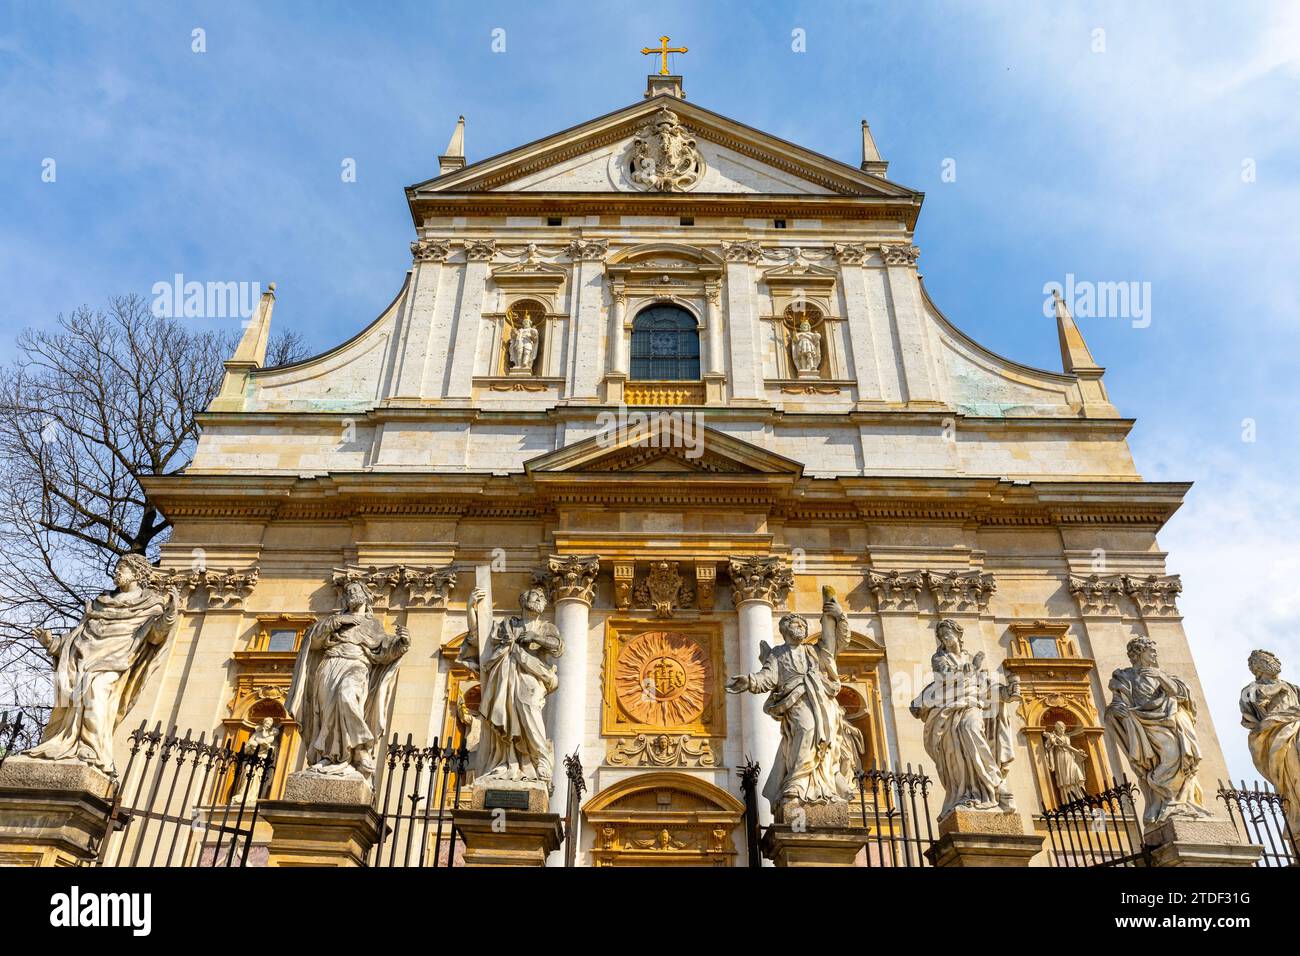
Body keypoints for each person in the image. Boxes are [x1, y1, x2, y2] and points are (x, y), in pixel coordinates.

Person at [27, 552, 179, 776]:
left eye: (123, 568)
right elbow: (79, 636)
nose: (117, 572)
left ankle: (93, 750)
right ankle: (67, 745)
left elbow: (155, 636)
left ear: (137, 573)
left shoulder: (150, 604)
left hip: (115, 660)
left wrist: (170, 614)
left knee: (96, 692)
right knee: (72, 694)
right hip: (84, 657)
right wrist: (53, 644)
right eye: (118, 566)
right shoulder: (101, 602)